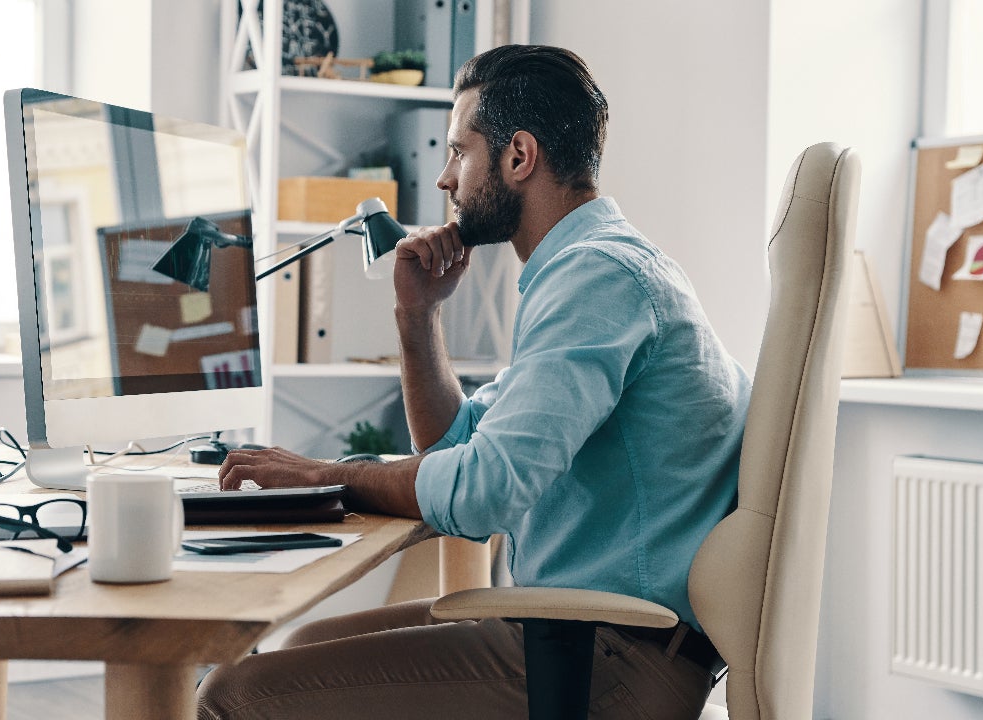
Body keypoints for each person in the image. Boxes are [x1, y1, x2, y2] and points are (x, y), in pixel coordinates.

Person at [198, 44, 751, 720]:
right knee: (301, 645)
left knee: (232, 699)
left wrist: (321, 475)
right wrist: (417, 316)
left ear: (519, 156)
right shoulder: (588, 270)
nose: (443, 180)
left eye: (458, 151)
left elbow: (482, 491)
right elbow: (457, 446)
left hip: (605, 660)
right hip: (579, 635)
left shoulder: (598, 280)